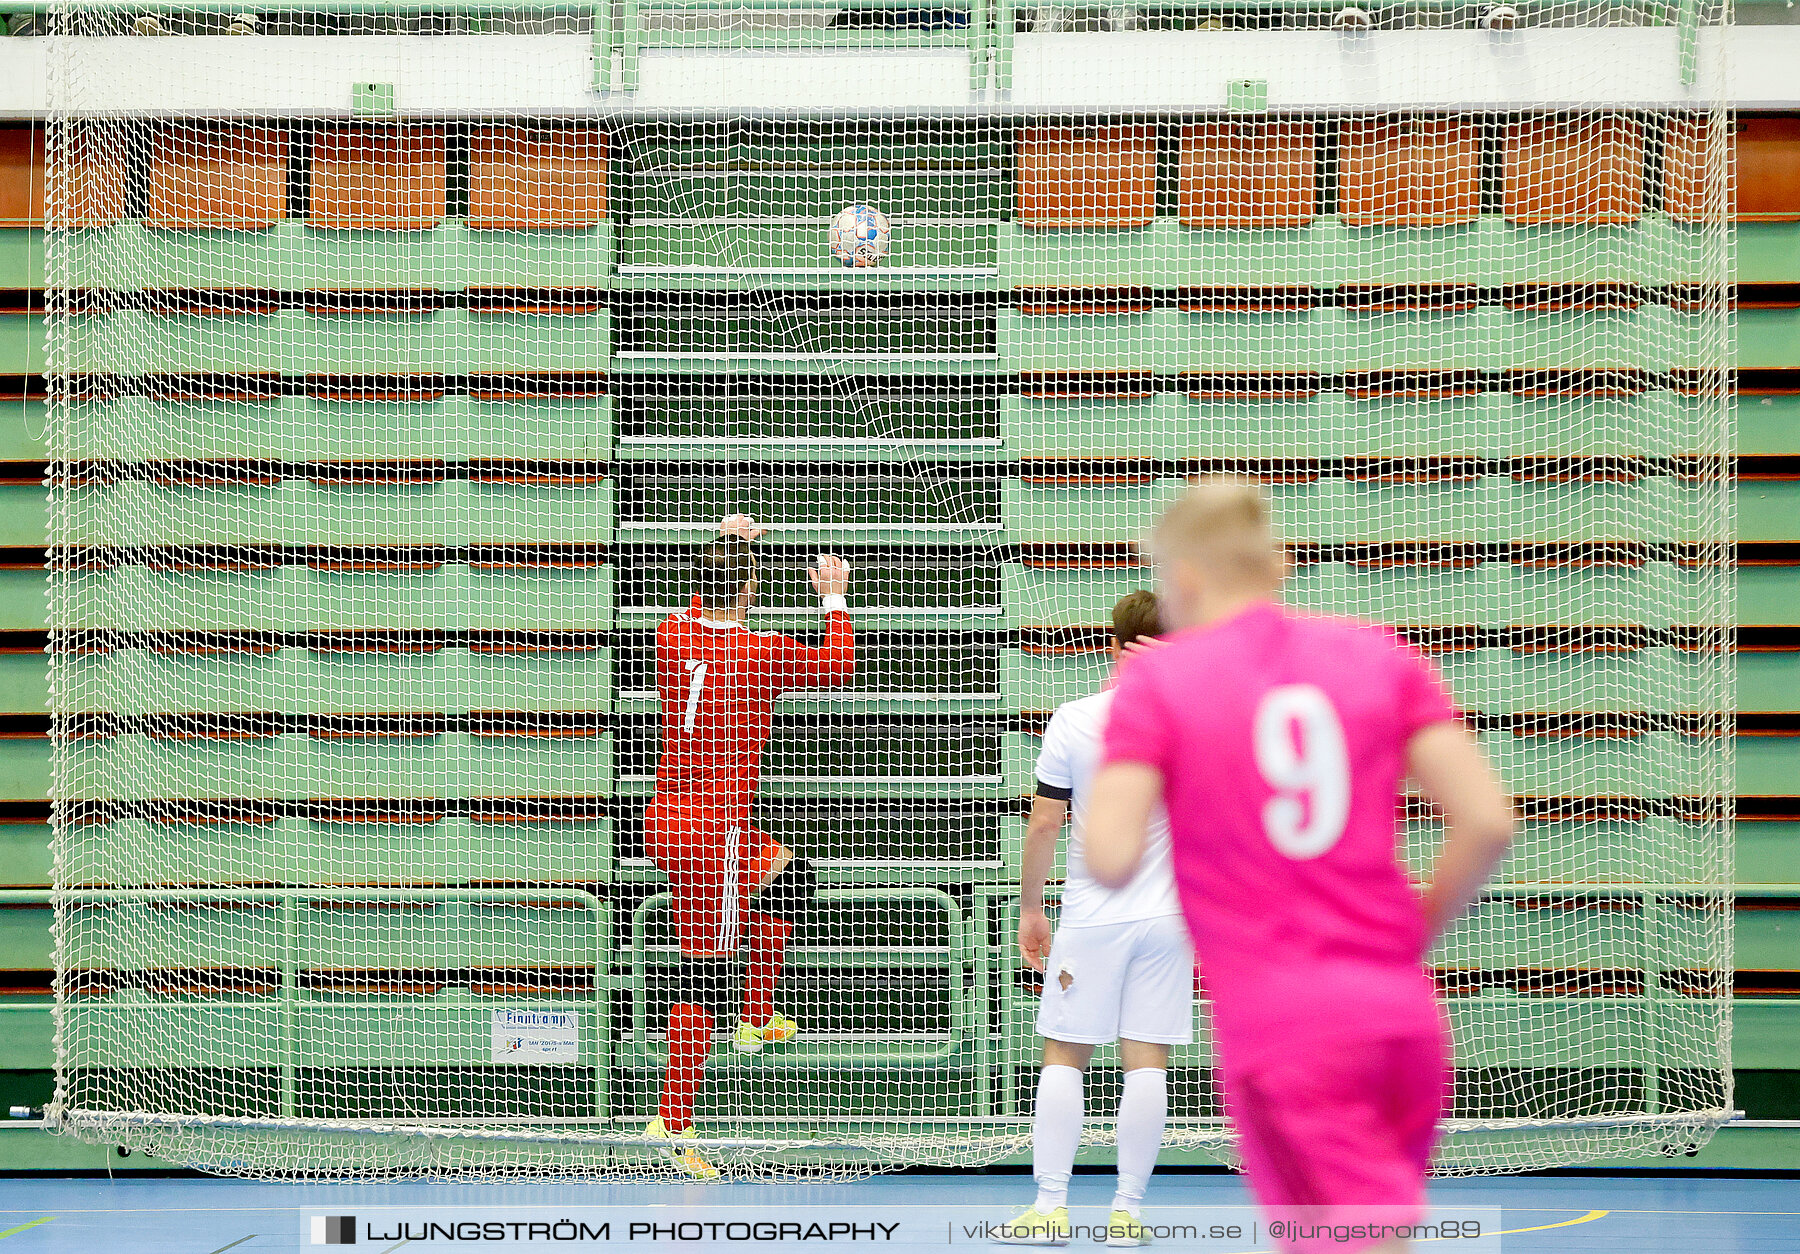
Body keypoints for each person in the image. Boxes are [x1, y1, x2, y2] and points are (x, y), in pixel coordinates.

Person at [1082, 480, 1515, 1254]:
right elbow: (1486, 822)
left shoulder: (1160, 681)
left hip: (1287, 1032)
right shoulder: (1380, 655)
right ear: (1273, 566)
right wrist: (1412, 934)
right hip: (1403, 1018)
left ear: (1183, 577)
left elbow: (1109, 857)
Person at [642, 514, 855, 1179]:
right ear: (753, 588)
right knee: (702, 975)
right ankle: (672, 1125)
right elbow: (838, 667)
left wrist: (728, 542)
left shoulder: (671, 634)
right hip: (713, 836)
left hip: (671, 821)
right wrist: (834, 594)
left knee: (792, 878)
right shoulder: (763, 651)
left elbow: (706, 602)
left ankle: (757, 1018)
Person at [998, 591, 1190, 1248]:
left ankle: (1051, 1205)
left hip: (1091, 915)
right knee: (1146, 1063)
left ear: (1113, 643)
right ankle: (1126, 1212)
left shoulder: (1075, 720)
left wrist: (1030, 906)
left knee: (1064, 1057)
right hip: (1168, 917)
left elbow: (1045, 822)